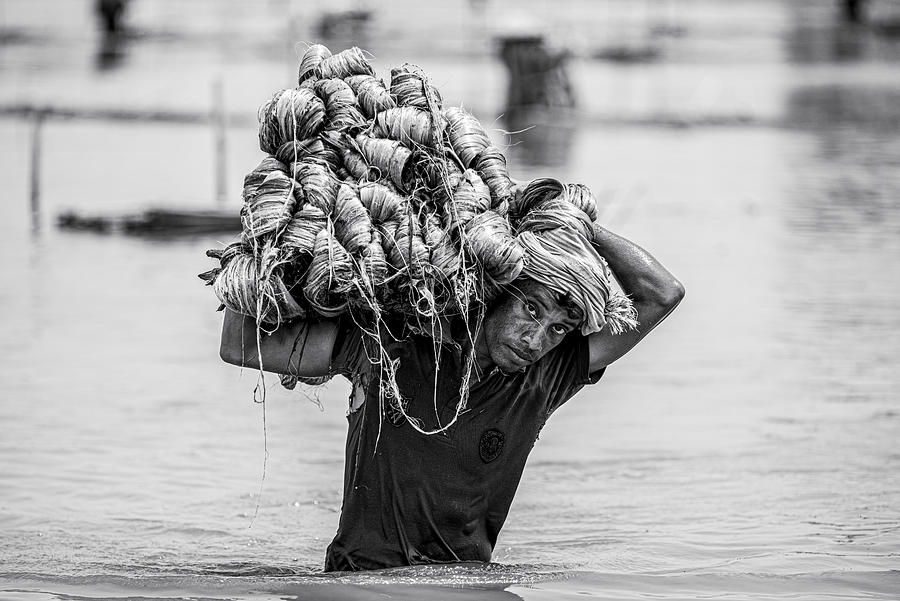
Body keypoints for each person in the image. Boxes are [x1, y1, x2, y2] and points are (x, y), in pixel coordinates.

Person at [219, 198, 684, 571]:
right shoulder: (389, 347)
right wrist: (263, 242)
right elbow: (239, 346)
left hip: (465, 584)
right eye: (533, 310)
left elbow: (663, 294)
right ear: (501, 291)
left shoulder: (546, 378)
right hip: (362, 583)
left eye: (560, 328)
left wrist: (573, 221)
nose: (537, 340)